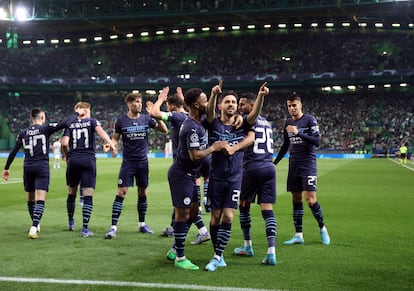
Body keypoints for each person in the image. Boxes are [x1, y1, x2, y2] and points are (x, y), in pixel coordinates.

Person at [204, 82, 266, 272]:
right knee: (215, 218)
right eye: (227, 102)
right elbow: (209, 113)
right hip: (216, 177)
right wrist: (214, 94)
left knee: (228, 216)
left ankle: (216, 256)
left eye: (233, 102)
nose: (231, 104)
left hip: (235, 178)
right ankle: (219, 253)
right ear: (221, 105)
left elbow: (253, 122)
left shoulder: (243, 123)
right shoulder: (214, 123)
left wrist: (261, 96)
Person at [166, 87, 228, 270]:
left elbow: (210, 111)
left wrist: (214, 94)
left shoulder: (198, 120)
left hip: (191, 174)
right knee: (182, 214)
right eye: (204, 100)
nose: (208, 104)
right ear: (196, 105)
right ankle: (180, 257)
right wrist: (214, 148)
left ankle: (174, 250)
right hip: (181, 175)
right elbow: (195, 156)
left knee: (193, 214)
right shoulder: (192, 127)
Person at [2, 108, 79, 239]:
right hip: (41, 166)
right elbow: (66, 123)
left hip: (28, 167)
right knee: (40, 199)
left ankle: (35, 224)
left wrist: (6, 168)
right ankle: (34, 227)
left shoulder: (23, 132)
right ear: (42, 117)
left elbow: (13, 151)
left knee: (30, 199)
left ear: (31, 118)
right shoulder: (45, 129)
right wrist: (77, 114)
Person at [149, 86, 211, 244]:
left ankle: (191, 239)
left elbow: (154, 113)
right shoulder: (200, 118)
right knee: (186, 203)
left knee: (184, 206)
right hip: (198, 162)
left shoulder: (177, 116)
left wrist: (161, 99)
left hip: (184, 162)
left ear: (171, 105)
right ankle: (175, 229)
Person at [104, 92, 168, 239]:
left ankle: (142, 224)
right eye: (137, 102)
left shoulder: (147, 119)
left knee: (142, 193)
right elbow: (115, 139)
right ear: (129, 104)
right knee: (121, 193)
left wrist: (155, 115)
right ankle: (113, 227)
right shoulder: (121, 121)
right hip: (128, 163)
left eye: (141, 102)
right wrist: (110, 145)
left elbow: (164, 130)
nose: (140, 104)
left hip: (143, 163)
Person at [273, 93, 330, 245]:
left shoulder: (309, 120)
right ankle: (298, 234)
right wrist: (275, 162)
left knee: (311, 200)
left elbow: (317, 141)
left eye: (294, 105)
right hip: (294, 164)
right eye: (289, 106)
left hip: (308, 164)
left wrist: (300, 133)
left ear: (300, 105)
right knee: (296, 199)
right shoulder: (288, 123)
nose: (291, 108)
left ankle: (322, 227)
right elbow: (286, 145)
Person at [233, 89, 277, 266]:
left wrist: (261, 96)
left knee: (243, 205)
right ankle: (271, 252)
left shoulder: (247, 120)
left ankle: (247, 246)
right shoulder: (267, 123)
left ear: (252, 106)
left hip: (252, 167)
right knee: (267, 210)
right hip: (269, 167)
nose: (239, 107)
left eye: (242, 104)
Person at [62, 101, 117, 237]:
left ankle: (70, 222)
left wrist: (67, 155)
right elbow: (102, 133)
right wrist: (112, 145)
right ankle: (85, 228)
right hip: (88, 160)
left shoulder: (70, 124)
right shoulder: (92, 122)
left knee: (72, 192)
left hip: (73, 160)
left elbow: (64, 143)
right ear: (86, 111)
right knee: (87, 194)